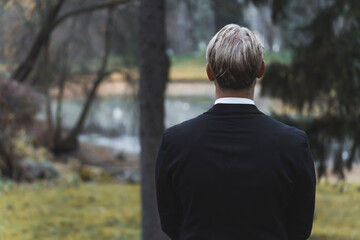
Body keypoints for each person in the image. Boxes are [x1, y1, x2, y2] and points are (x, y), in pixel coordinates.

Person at [155, 24, 316, 240]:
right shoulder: (293, 144)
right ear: (261, 70)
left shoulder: (175, 142)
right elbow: (300, 228)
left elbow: (171, 223)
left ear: (209, 72)